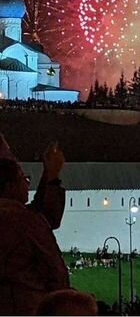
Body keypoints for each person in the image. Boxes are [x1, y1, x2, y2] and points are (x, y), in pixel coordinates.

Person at [0, 135, 70, 315]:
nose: (26, 184)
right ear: (9, 186)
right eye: (23, 179)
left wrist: (50, 174)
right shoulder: (22, 220)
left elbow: (41, 214)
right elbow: (56, 274)